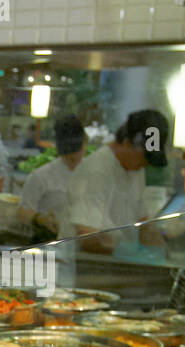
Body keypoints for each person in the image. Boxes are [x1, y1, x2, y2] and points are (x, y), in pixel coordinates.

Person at [63, 109, 171, 255]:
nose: (146, 164)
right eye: (144, 157)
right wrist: (129, 252)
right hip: (85, 267)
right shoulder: (95, 171)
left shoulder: (136, 168)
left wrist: (162, 253)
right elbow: (87, 235)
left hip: (118, 265)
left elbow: (143, 221)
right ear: (127, 143)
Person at [19, 116, 86, 236]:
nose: (74, 158)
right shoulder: (41, 176)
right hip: (49, 241)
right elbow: (22, 212)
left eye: (77, 152)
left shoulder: (92, 174)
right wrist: (40, 218)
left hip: (84, 242)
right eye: (69, 156)